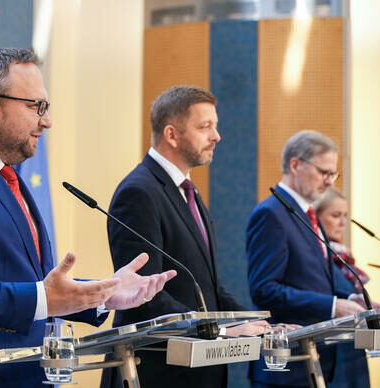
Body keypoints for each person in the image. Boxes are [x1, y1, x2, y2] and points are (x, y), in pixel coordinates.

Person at [0, 48, 176, 388]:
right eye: (35, 107)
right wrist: (42, 298)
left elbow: (29, 280)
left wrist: (103, 293)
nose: (47, 120)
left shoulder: (8, 178)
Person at [100, 85, 268, 388]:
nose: (216, 136)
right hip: (157, 371)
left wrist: (261, 324)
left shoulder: (188, 192)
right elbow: (144, 296)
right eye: (205, 127)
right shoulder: (138, 193)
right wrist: (222, 330)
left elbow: (209, 289)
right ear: (172, 135)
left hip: (199, 369)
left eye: (215, 126)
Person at [246, 130, 371, 388]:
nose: (329, 182)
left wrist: (350, 299)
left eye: (332, 174)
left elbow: (313, 280)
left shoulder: (306, 214)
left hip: (313, 362)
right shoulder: (271, 214)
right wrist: (332, 306)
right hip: (285, 365)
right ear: (295, 164)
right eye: (323, 172)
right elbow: (264, 290)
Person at [314, 187, 370, 388]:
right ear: (316, 217)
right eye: (335, 215)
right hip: (333, 356)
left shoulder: (344, 258)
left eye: (345, 216)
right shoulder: (317, 257)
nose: (342, 222)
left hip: (353, 351)